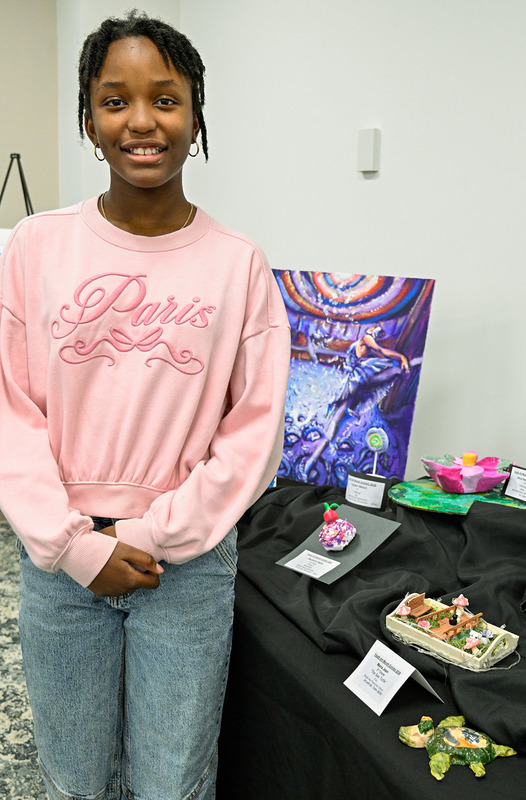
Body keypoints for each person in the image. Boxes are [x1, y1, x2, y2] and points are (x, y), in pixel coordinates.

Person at [0, 11, 290, 800]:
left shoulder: (238, 266)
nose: (141, 121)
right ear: (88, 117)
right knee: (72, 777)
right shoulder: (34, 247)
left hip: (187, 565)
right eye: (114, 99)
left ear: (196, 113)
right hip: (60, 559)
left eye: (165, 99)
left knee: (173, 780)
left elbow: (254, 432)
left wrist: (155, 533)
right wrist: (74, 547)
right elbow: (9, 415)